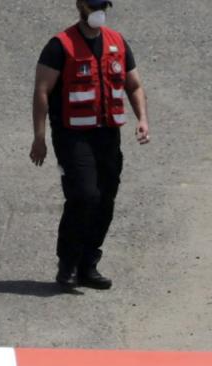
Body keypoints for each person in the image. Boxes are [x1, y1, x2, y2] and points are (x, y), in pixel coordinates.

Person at [31, 0, 150, 290]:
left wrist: (142, 119)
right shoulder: (60, 45)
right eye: (93, 5)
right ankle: (68, 263)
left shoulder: (117, 42)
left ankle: (88, 263)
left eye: (102, 4)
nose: (98, 10)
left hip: (107, 136)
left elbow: (133, 85)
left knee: (105, 200)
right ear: (80, 6)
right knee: (84, 196)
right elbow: (42, 91)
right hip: (73, 136)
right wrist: (39, 137)